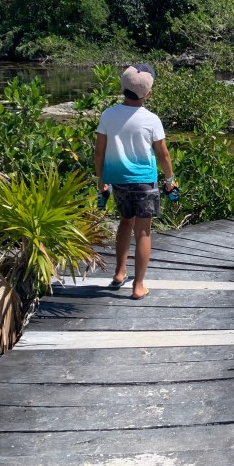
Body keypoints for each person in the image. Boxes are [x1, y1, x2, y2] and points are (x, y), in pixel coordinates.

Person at [93, 65, 176, 299]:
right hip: (143, 181)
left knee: (124, 223)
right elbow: (163, 154)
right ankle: (138, 285)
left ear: (122, 89)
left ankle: (119, 272)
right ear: (148, 94)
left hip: (117, 180)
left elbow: (99, 152)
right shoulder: (151, 119)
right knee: (143, 232)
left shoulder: (108, 114)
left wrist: (101, 181)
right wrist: (169, 179)